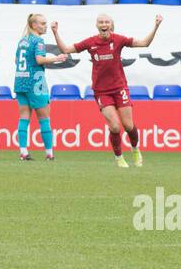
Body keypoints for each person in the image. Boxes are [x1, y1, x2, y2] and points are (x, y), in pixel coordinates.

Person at [52, 13, 162, 167]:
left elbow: (144, 43)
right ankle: (119, 157)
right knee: (115, 126)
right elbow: (65, 49)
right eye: (101, 22)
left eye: (106, 22)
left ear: (111, 25)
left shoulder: (118, 40)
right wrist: (55, 32)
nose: (104, 24)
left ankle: (135, 149)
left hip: (119, 88)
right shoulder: (90, 42)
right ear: (97, 25)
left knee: (128, 125)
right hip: (101, 91)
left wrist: (156, 26)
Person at [13, 13, 67, 161]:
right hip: (35, 83)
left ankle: (23, 151)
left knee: (24, 117)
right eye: (42, 23)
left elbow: (16, 60)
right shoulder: (39, 41)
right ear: (34, 25)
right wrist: (56, 58)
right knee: (44, 118)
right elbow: (39, 59)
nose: (45, 26)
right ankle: (49, 153)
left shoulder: (22, 41)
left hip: (20, 81)